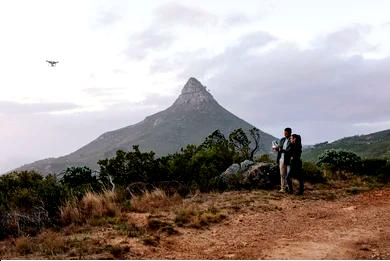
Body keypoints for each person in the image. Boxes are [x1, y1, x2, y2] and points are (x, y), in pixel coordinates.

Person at [276, 127, 292, 193]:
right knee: (282, 174)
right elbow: (280, 148)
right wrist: (277, 149)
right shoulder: (282, 139)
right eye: (284, 132)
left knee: (288, 175)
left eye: (286, 133)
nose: (285, 134)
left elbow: (290, 150)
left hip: (288, 160)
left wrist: (282, 150)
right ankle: (283, 188)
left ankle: (289, 188)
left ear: (289, 133)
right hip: (281, 159)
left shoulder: (292, 140)